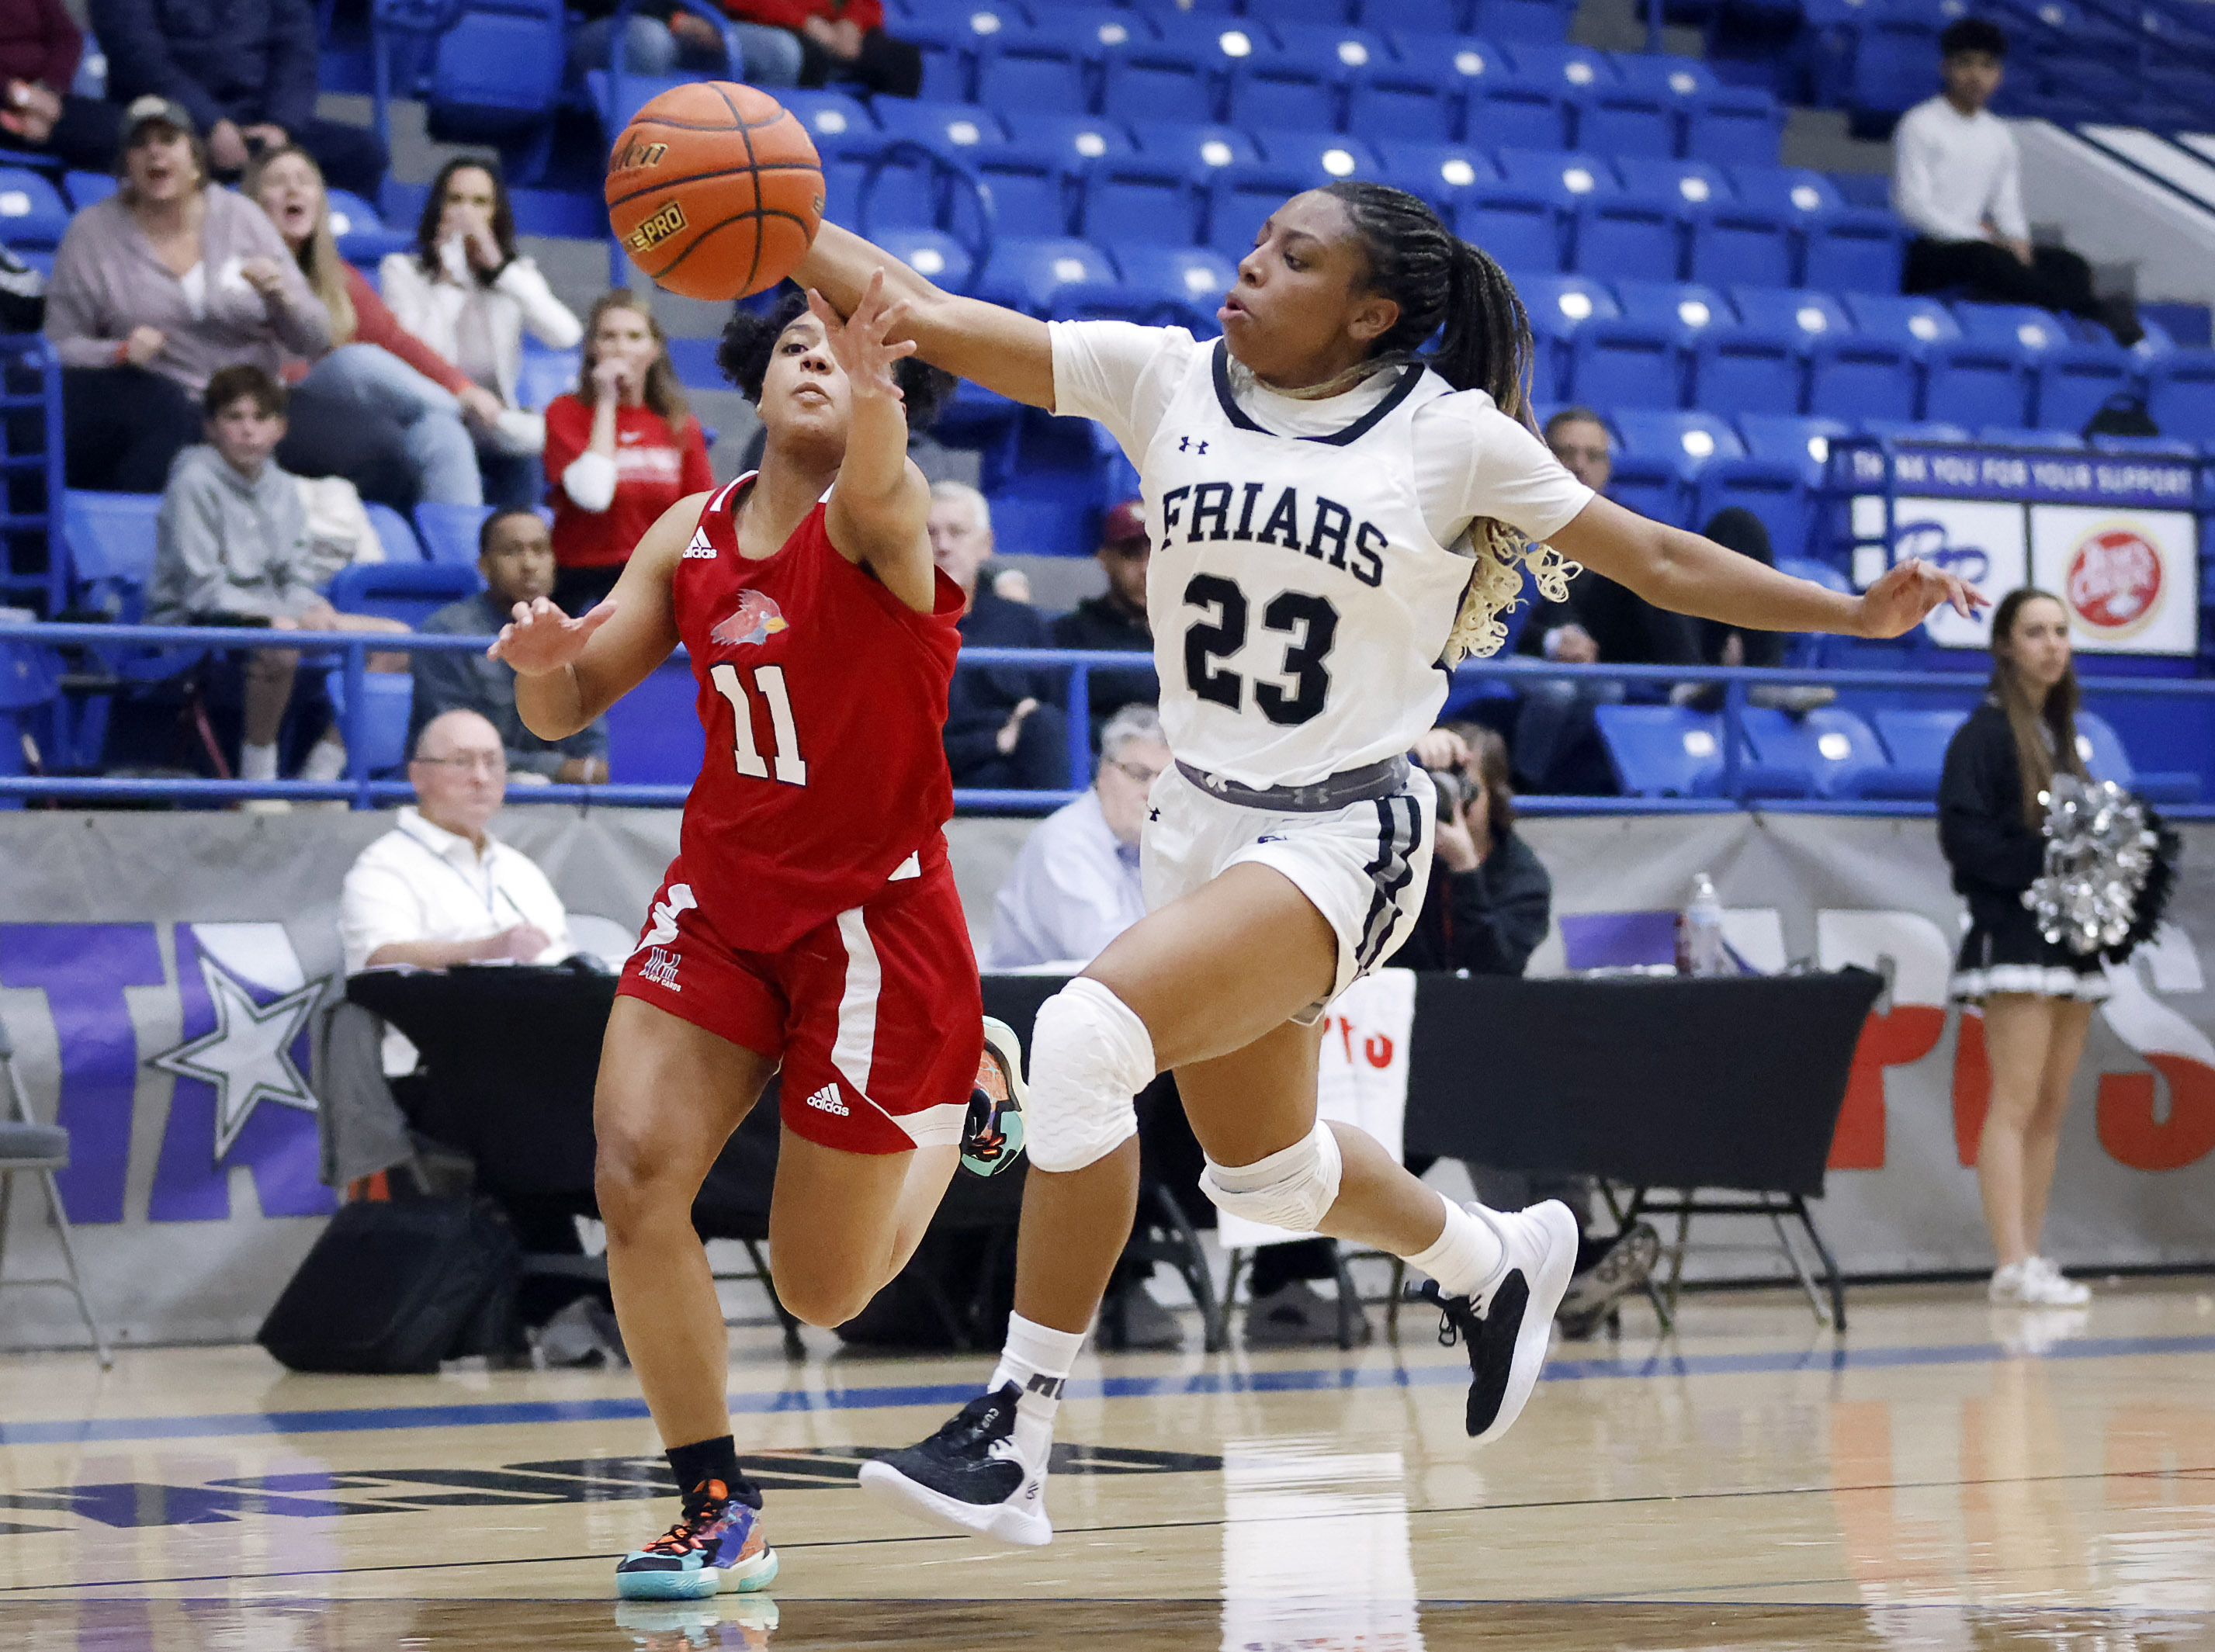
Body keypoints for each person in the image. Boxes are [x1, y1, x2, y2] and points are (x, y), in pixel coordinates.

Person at [784, 179, 1981, 1548]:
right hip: (1198, 824)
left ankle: (1016, 1426)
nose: (1246, 267)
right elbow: (923, 312)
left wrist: (1844, 609)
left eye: (1292, 258)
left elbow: (1645, 553)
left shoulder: (1446, 438)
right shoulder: (1162, 376)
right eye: (1253, 241)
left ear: (1369, 313)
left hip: (1345, 832)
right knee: (1266, 1177)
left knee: (1080, 1038)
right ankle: (1492, 1255)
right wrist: (777, 218)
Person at [488, 274, 1026, 1601]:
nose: (814, 362)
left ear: (884, 393)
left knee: (821, 1288)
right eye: (793, 343)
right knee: (629, 1174)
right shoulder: (691, 528)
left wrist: (875, 380)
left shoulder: (888, 523)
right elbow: (567, 715)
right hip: (722, 904)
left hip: (869, 929)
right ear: (750, 372)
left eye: (841, 355)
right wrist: (543, 660)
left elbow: (882, 479)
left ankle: (965, 1077)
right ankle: (715, 1499)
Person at [336, 707, 610, 1356]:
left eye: (494, 761)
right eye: (463, 761)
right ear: (418, 775)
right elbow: (377, 957)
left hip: (541, 1074)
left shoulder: (520, 871)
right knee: (529, 1124)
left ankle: (599, 1291)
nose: (483, 777)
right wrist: (487, 947)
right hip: (428, 1076)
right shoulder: (382, 868)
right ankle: (565, 1301)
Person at [1939, 588, 2102, 1308]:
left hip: (2067, 942)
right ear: (2005, 644)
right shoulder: (1983, 734)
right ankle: (2009, 1260)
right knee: (2015, 1097)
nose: (2052, 644)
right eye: (2035, 631)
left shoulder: (2066, 736)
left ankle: (2031, 1255)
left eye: (2061, 631)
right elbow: (1965, 838)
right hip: (2012, 934)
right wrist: (2046, 866)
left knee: (2052, 1103)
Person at [46, 96, 331, 493]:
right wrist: (118, 353)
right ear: (125, 163)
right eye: (140, 143)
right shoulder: (91, 233)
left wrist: (282, 297)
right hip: (161, 405)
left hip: (255, 405)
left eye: (168, 139)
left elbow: (316, 338)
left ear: (194, 156)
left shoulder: (241, 216)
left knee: (378, 450)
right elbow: (57, 347)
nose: (155, 152)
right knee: (167, 422)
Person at [150, 364, 407, 790]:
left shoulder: (283, 486)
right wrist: (289, 612)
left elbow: (295, 574)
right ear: (211, 428)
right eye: (234, 418)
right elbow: (202, 591)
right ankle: (260, 782)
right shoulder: (192, 480)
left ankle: (321, 778)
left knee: (396, 642)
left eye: (260, 419)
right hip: (191, 622)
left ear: (280, 429)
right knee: (282, 640)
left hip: (275, 616)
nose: (248, 431)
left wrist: (309, 603)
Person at [248, 145, 497, 510]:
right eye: (277, 183)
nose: (293, 191)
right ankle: (485, 422)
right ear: (252, 202)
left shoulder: (338, 278)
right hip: (280, 404)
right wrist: (460, 398)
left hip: (343, 417)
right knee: (356, 361)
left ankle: (461, 559)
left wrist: (462, 384)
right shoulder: (238, 269)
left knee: (442, 434)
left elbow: (397, 341)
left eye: (304, 181)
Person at [1894, 19, 2140, 347]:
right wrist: (1982, 238)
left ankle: (2068, 304)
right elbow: (1913, 206)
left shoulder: (1999, 135)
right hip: (1933, 249)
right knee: (1987, 259)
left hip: (1983, 246)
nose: (1976, 76)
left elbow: (2006, 202)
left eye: (1987, 66)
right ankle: (2094, 309)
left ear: (1999, 75)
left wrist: (2017, 241)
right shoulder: (1920, 124)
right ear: (1946, 68)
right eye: (1965, 64)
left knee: (2068, 263)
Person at [1512, 408, 1704, 792]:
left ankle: (1692, 679)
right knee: (1559, 690)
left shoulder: (1624, 524)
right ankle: (1519, 787)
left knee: (1655, 553)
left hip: (1603, 651)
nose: (1580, 466)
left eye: (1593, 456)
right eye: (1566, 453)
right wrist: (1555, 641)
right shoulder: (1507, 517)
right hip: (1522, 650)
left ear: (1609, 468)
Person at [379, 159, 584, 510]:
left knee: (530, 468)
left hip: (496, 425)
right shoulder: (402, 271)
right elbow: (419, 355)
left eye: (480, 203)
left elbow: (566, 335)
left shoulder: (515, 275)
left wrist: (500, 270)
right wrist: (450, 282)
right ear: (438, 209)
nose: (467, 215)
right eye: (456, 200)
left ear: (496, 214)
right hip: (432, 419)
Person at [90, 0, 387, 198]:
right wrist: (211, 124)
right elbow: (139, 58)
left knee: (362, 154)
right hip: (167, 119)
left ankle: (320, 274)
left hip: (258, 121)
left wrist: (280, 125)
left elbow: (296, 51)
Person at [543, 291, 716, 617]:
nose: (621, 347)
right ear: (592, 348)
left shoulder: (680, 425)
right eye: (609, 336)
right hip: (582, 577)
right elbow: (593, 496)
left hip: (657, 577)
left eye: (634, 337)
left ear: (654, 350)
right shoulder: (564, 412)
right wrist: (606, 401)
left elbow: (700, 512)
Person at [412, 508, 611, 784]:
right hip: (466, 787)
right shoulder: (447, 633)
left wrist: (581, 768)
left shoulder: (573, 634)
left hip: (557, 801)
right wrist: (555, 768)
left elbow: (593, 754)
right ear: (484, 565)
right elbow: (452, 743)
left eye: (540, 550)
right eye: (511, 552)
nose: (529, 564)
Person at [987, 702, 1166, 970]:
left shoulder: (1171, 843)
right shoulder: (1063, 842)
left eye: (1166, 781)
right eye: (1138, 774)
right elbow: (1110, 956)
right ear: (1103, 772)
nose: (1153, 792)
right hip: (1024, 1005)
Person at [931, 480, 1069, 793]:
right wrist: (995, 741)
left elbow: (1054, 711)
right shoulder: (888, 622)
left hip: (1015, 774)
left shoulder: (1021, 621)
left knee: (1047, 724)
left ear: (986, 545)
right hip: (927, 784)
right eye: (929, 533)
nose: (943, 546)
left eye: (957, 532)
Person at [1050, 498, 1159, 753]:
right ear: (1104, 558)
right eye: (1131, 554)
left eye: (1159, 553)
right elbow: (1059, 722)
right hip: (1099, 769)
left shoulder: (1199, 632)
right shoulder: (1068, 634)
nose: (1146, 568)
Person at [0, 0, 118, 173]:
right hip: (7, 104)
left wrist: (48, 87)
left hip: (48, 96)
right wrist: (16, 93)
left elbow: (67, 37)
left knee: (119, 130)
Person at [567, 0, 804, 85]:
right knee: (652, 42)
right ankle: (638, 169)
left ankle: (746, 170)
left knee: (780, 51)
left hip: (697, 27)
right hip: (611, 24)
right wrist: (674, 19)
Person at [719, 0, 921, 98]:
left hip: (832, 27)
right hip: (760, 21)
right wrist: (803, 22)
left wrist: (853, 23)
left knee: (903, 61)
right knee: (806, 55)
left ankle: (891, 164)